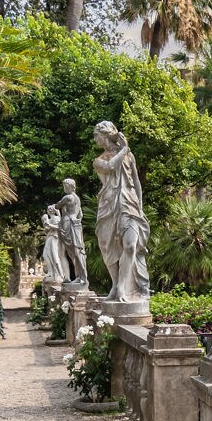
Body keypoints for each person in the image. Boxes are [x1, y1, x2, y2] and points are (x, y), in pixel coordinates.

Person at [93, 123, 150, 303]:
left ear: (106, 135)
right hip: (108, 205)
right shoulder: (98, 161)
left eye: (97, 135)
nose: (95, 139)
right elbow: (110, 166)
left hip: (129, 202)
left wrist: (139, 207)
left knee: (131, 245)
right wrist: (124, 149)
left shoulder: (128, 157)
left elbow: (136, 182)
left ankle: (122, 288)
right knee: (107, 248)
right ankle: (116, 285)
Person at [56, 178, 88, 287]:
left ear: (69, 186)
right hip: (76, 225)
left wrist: (64, 212)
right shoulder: (77, 198)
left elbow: (57, 206)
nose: (64, 188)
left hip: (68, 224)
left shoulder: (68, 197)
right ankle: (81, 277)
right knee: (77, 251)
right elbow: (80, 215)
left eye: (65, 186)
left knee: (73, 253)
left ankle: (80, 277)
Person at [40, 205, 65, 288]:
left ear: (54, 210)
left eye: (52, 209)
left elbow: (60, 227)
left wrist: (49, 225)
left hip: (55, 238)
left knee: (55, 256)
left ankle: (59, 274)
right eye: (49, 209)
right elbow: (47, 230)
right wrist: (46, 225)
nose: (50, 210)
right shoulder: (49, 219)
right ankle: (50, 273)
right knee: (45, 255)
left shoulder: (57, 218)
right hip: (49, 238)